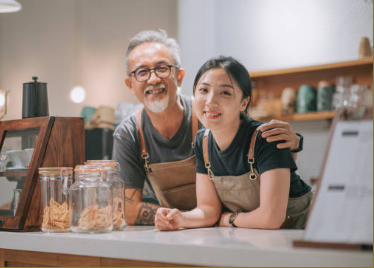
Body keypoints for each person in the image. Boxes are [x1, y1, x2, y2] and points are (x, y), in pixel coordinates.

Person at [113, 30, 305, 225]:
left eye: (162, 68)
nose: (153, 79)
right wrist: (180, 219)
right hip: (218, 230)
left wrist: (294, 144)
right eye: (142, 72)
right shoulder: (132, 134)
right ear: (130, 84)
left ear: (179, 77)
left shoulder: (216, 119)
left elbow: (262, 154)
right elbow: (128, 210)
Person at [154, 56, 312, 230]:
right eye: (204, 90)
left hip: (305, 233)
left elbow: (271, 218)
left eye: (225, 92)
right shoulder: (203, 141)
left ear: (243, 102)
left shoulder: (267, 137)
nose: (210, 101)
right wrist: (180, 219)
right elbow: (208, 209)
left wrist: (229, 219)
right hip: (256, 238)